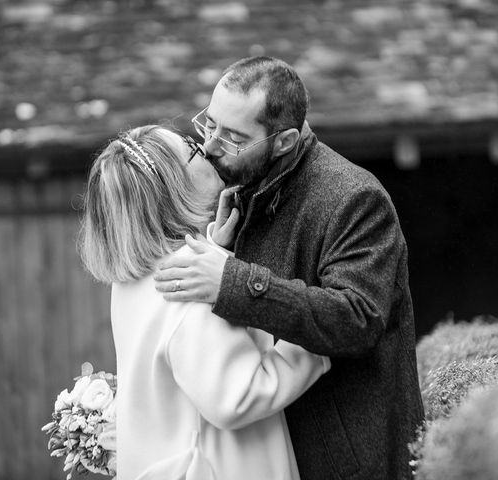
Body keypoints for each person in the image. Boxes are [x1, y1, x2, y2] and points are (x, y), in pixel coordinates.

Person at [154, 56, 425, 480]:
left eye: (233, 137)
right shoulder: (243, 187)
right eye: (209, 123)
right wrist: (219, 250)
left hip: (348, 464)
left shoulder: (355, 198)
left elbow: (358, 318)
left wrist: (233, 280)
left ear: (284, 142)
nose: (209, 146)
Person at [78, 125, 330, 480]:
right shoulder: (192, 289)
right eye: (194, 150)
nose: (210, 148)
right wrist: (314, 334)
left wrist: (215, 248)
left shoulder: (133, 281)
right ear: (175, 188)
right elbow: (237, 397)